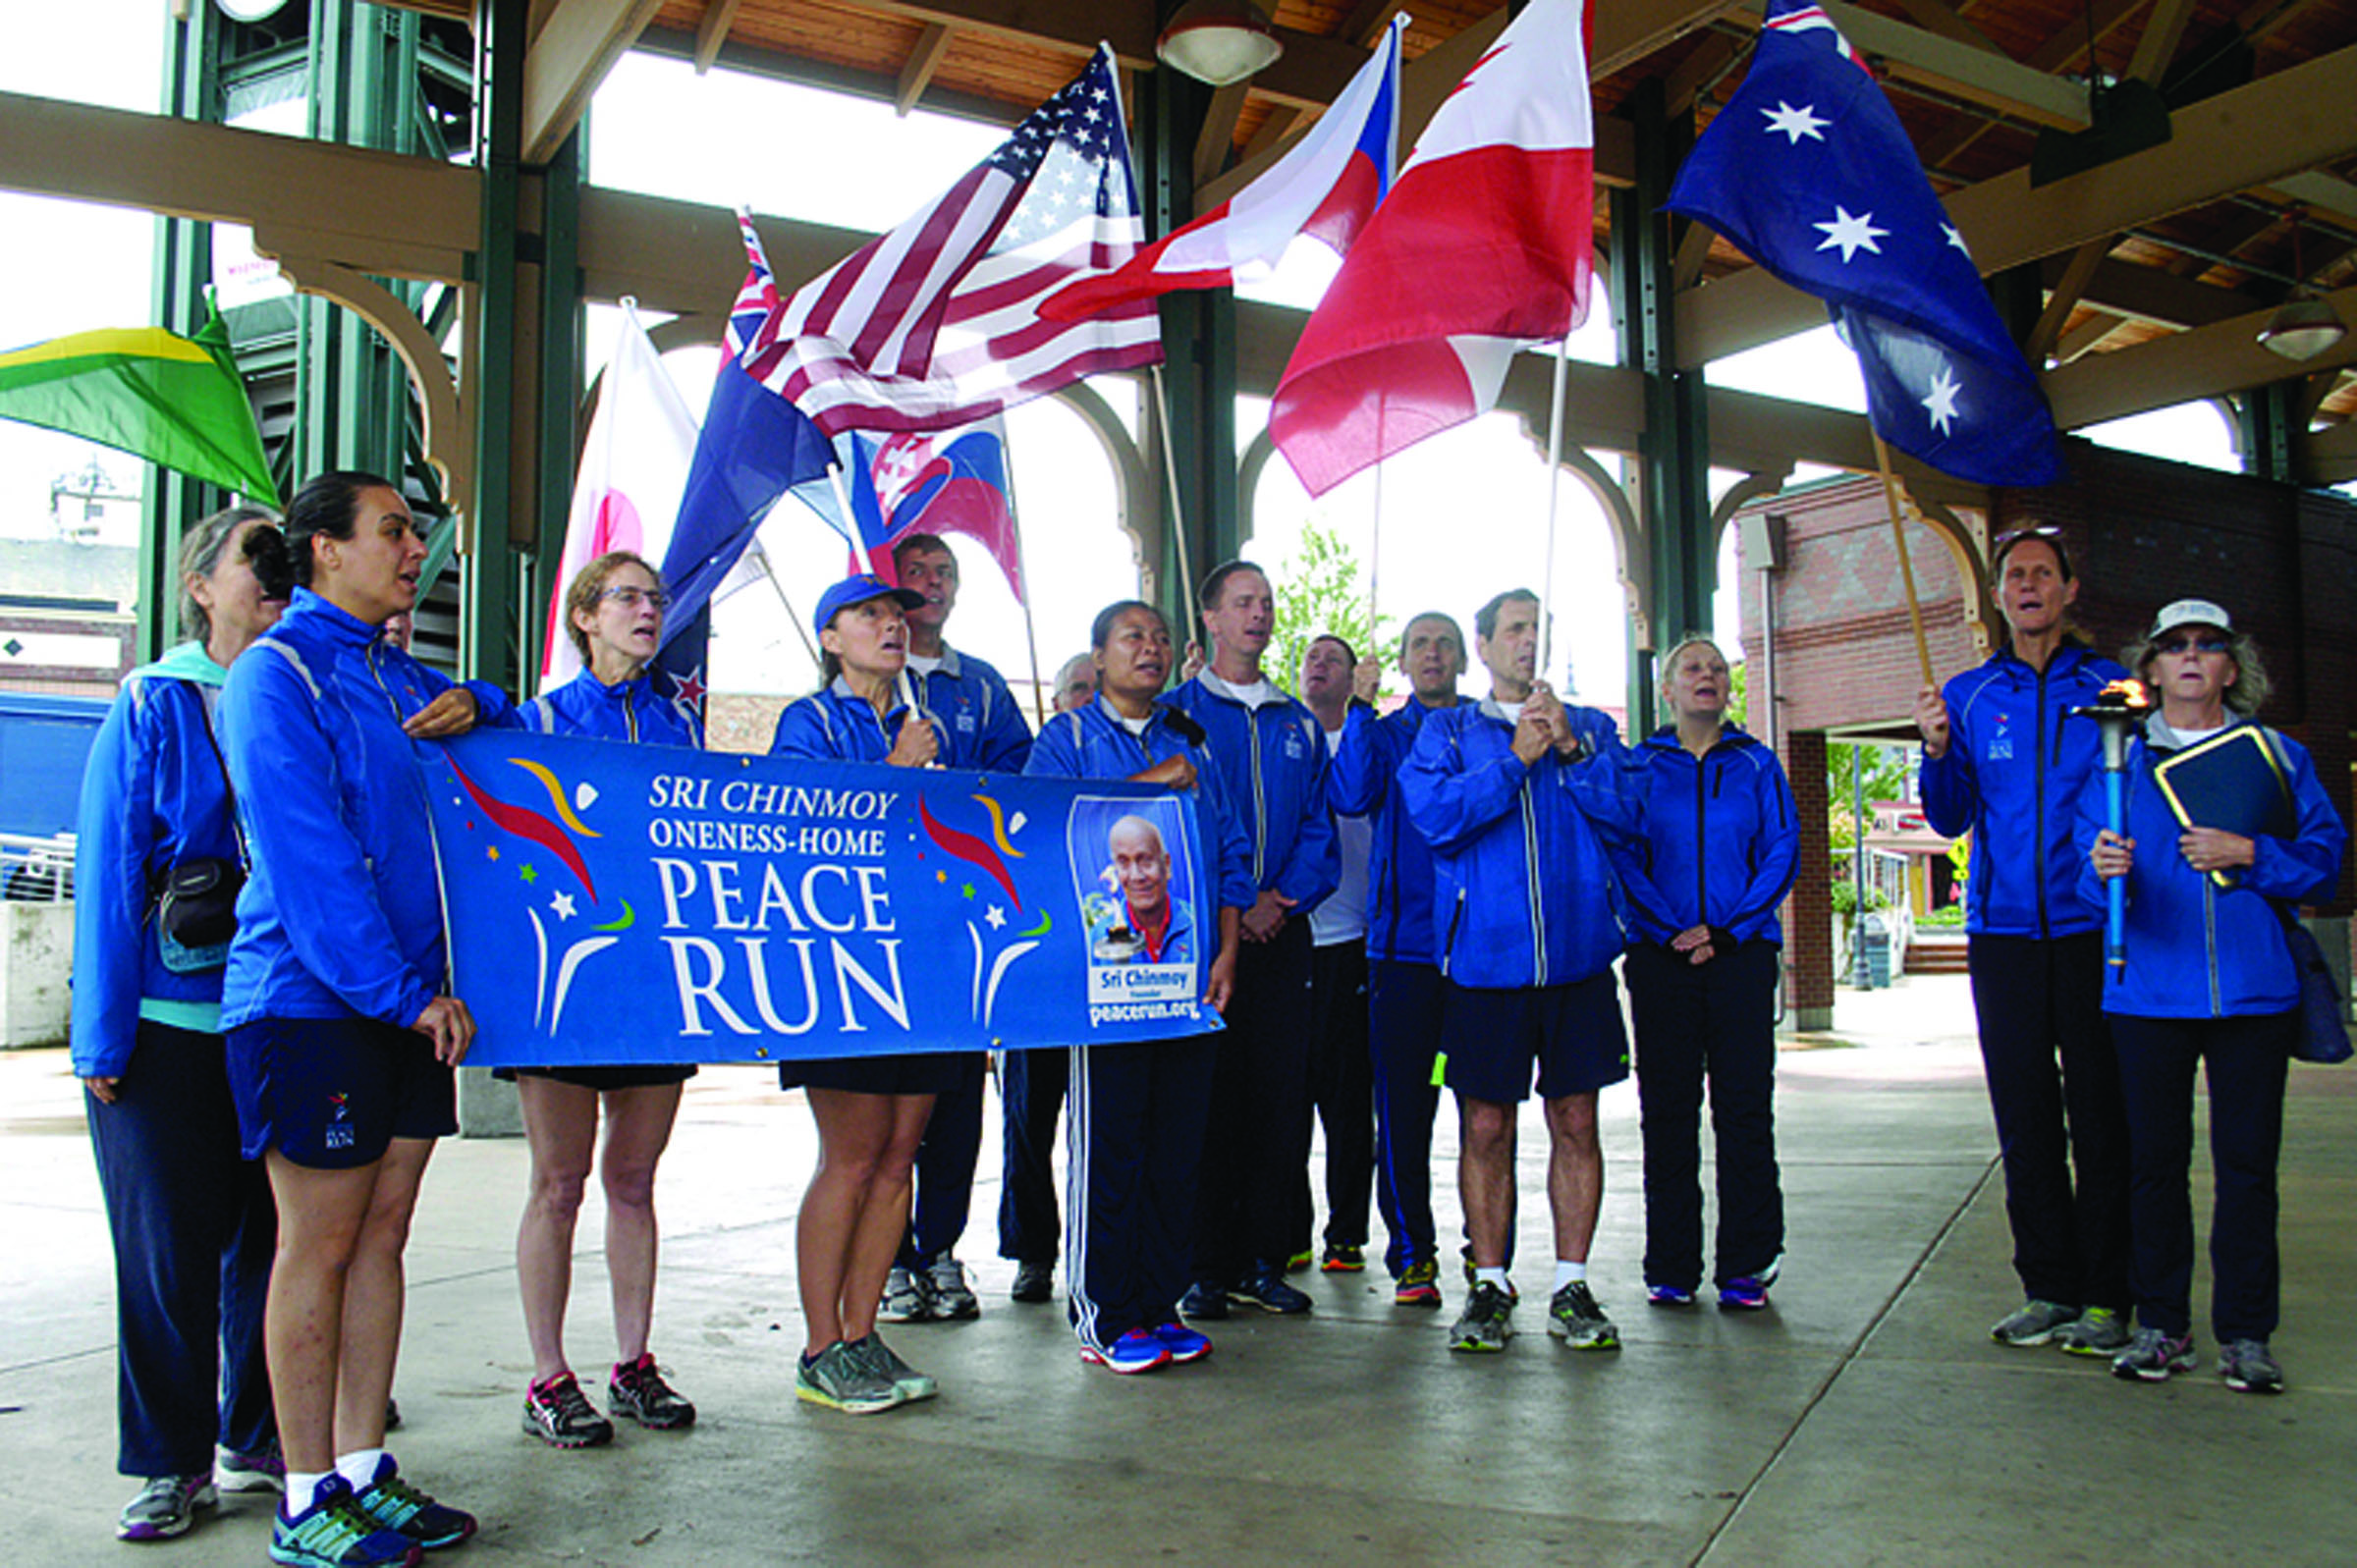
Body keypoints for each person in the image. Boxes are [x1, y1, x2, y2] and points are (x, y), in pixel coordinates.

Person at [221, 472, 510, 1567]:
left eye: (417, 532)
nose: (412, 551)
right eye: (393, 531)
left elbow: (517, 725)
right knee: (322, 1243)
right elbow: (310, 860)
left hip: (406, 1004)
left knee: (383, 1233)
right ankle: (302, 1495)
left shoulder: (397, 674)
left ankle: (361, 1466)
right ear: (323, 550)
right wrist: (399, 994)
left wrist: (479, 698)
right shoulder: (276, 675)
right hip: (313, 1002)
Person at [75, 506, 287, 1541]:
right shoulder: (156, 701)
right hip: (169, 1020)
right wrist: (102, 1037)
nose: (278, 573)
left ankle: (261, 1429)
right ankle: (168, 1459)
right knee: (167, 1254)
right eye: (258, 556)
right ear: (201, 584)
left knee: (274, 1237)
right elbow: (114, 864)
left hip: (281, 1016)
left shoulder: (304, 689)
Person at [2081, 600, 2344, 1392]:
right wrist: (2099, 872)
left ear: (2233, 666)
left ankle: (2247, 1334)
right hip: (2147, 991)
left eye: (2208, 645)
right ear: (2151, 666)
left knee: (2249, 1168)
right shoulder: (2113, 758)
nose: (2191, 657)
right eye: (2174, 645)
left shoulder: (2278, 756)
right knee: (2154, 1166)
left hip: (2253, 995)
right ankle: (2162, 1324)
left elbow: (2325, 859)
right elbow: (2080, 875)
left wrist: (2251, 852)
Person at [1915, 527, 2135, 1355]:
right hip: (2002, 935)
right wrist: (1937, 749)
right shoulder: (1971, 695)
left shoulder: (2114, 687)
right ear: (1998, 597)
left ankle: (2110, 1296)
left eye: (2045, 571)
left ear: (2070, 589)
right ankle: (2048, 1285)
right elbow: (1949, 815)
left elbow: (2141, 795)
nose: (2029, 584)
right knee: (2026, 1116)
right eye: (2015, 575)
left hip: (2092, 930)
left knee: (2101, 1115)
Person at [1399, 588, 1636, 1355]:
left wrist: (1569, 750)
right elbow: (1435, 817)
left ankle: (1571, 1281)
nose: (1528, 642)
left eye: (1540, 628)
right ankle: (1490, 1284)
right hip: (1484, 969)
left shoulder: (1592, 727)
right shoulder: (1448, 731)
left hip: (1577, 965)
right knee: (1486, 1124)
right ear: (1485, 644)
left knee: (1576, 1121)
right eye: (1515, 629)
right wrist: (1515, 761)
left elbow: (1630, 815)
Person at [1025, 600, 1254, 1372]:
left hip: (1186, 977)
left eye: (1160, 637)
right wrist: (1149, 781)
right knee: (1110, 1148)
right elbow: (1046, 830)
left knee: (1175, 1147)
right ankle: (1104, 1312)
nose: (1150, 649)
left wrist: (1225, 952)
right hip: (1106, 988)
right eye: (1133, 637)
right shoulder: (1065, 740)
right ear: (1097, 657)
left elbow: (1228, 850)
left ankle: (1160, 1302)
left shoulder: (1190, 740)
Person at [508, 553, 701, 1448]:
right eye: (627, 596)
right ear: (583, 615)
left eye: (656, 598)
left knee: (633, 1178)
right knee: (558, 1182)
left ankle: (634, 1361)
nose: (647, 609)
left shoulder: (679, 725)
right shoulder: (540, 717)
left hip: (653, 980)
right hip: (564, 976)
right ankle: (547, 1375)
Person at [767, 574, 953, 1415]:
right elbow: (800, 830)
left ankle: (863, 1328)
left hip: (924, 964)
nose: (892, 626)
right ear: (830, 637)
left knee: (898, 1155)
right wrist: (896, 769)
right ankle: (818, 1345)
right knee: (850, 1153)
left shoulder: (925, 719)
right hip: (839, 970)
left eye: (897, 616)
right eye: (870, 615)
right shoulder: (807, 723)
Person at [1166, 562, 1339, 1318]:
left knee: (1277, 1100)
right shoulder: (1177, 717)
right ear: (1209, 618)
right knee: (1204, 1100)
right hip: (1202, 941)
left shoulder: (1296, 720)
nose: (1258, 615)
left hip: (1282, 934)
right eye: (1242, 602)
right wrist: (1234, 906)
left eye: (1266, 604)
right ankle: (1203, 1264)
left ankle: (1265, 1259)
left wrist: (1281, 897)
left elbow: (1320, 826)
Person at [1612, 636, 1799, 1311]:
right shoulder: (1639, 766)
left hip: (1739, 956)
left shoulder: (1756, 764)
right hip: (1661, 960)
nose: (1708, 677)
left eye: (1718, 669)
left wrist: (1731, 927)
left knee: (1744, 1108)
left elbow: (1782, 849)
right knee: (1667, 1112)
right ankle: (1672, 1264)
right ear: (1667, 688)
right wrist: (1668, 929)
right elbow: (1624, 853)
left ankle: (1748, 1261)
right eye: (1693, 668)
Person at [878, 532, 1032, 1325]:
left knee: (955, 1100)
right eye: (918, 574)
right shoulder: (867, 687)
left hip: (962, 927)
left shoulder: (980, 686)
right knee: (885, 1104)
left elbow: (1020, 775)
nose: (932, 586)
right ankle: (890, 1256)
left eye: (945, 574)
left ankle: (940, 1247)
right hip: (880, 930)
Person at [1330, 612, 1477, 1309]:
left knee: (1486, 1111)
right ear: (1403, 660)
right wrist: (1359, 705)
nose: (1433, 653)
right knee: (1404, 1114)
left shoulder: (1487, 729)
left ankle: (1490, 1246)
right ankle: (1414, 1253)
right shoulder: (1385, 733)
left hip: (1481, 950)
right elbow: (1350, 793)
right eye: (1420, 643)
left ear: (1462, 658)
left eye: (1444, 642)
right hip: (1402, 950)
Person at [999, 652, 1096, 1304]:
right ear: (1057, 701)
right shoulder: (1039, 764)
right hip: (1038, 979)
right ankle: (1033, 1251)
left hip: (1110, 975)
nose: (1088, 699)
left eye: (1097, 689)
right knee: (1030, 1121)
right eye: (1078, 690)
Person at [1290, 634, 1377, 1274]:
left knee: (1348, 1106)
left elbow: (1352, 795)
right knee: (1284, 1102)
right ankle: (1287, 1228)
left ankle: (1345, 1232)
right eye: (1311, 659)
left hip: (1351, 942)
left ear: (1353, 678)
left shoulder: (1366, 738)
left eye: (1333, 660)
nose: (1319, 666)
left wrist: (1365, 711)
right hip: (1289, 940)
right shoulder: (1283, 738)